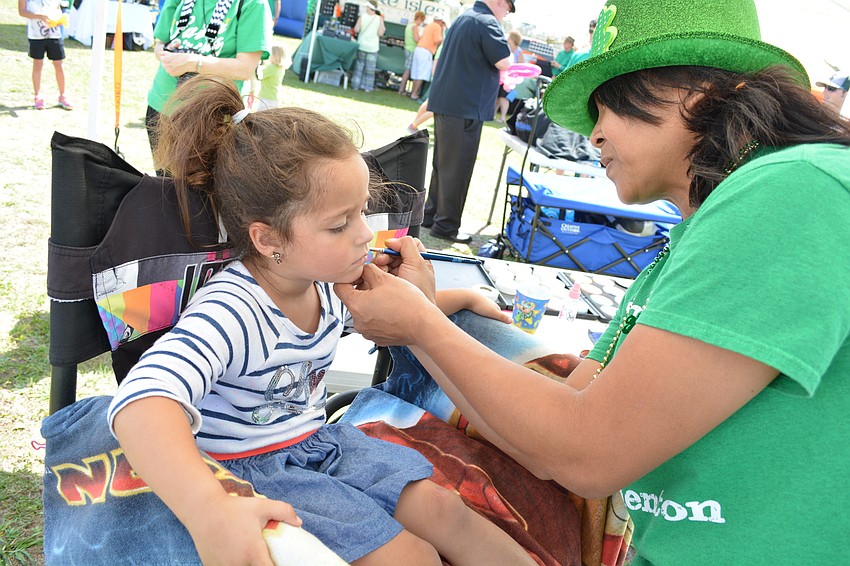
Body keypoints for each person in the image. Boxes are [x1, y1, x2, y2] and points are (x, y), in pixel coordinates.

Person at [334, 0, 850, 563]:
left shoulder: (791, 191)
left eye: (608, 109)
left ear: (697, 93)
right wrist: (422, 321)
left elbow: (587, 455)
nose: (594, 136)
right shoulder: (702, 231)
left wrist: (423, 325)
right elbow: (559, 420)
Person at [108, 75, 534, 566]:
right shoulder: (232, 310)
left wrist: (455, 299)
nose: (362, 235)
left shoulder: (328, 284)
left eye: (362, 213)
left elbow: (381, 315)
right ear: (269, 240)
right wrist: (209, 509)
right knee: (411, 556)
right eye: (339, 224)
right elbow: (141, 401)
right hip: (255, 472)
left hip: (322, 445)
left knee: (447, 510)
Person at [422, 0, 514, 243]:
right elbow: (504, 61)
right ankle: (446, 226)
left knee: (442, 166)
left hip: (448, 103)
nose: (506, 14)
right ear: (500, 2)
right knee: (456, 169)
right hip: (465, 107)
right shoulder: (486, 22)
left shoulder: (465, 17)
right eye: (507, 8)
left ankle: (432, 215)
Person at [144, 0, 271, 159]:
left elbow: (244, 68)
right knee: (163, 181)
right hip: (162, 107)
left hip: (210, 116)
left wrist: (193, 62)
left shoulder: (252, 4)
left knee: (198, 182)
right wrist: (167, 53)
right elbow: (159, 45)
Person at [19, 0, 72, 110]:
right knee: (38, 63)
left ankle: (63, 96)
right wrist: (38, 16)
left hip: (54, 33)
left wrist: (60, 19)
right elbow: (22, 11)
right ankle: (38, 96)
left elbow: (58, 8)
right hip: (36, 34)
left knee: (59, 64)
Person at [350, 0, 385, 93]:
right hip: (373, 47)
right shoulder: (379, 18)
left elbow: (356, 29)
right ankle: (367, 87)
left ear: (368, 7)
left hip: (362, 45)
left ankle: (355, 85)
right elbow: (381, 33)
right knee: (370, 69)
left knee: (359, 67)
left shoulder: (362, 17)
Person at [408, 14, 445, 100]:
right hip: (426, 50)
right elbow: (437, 40)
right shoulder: (437, 27)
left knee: (416, 72)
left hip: (419, 48)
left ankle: (413, 92)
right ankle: (414, 93)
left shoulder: (429, 25)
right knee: (422, 73)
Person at [495, 30, 524, 122]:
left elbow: (521, 65)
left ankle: (502, 117)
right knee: (498, 97)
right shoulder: (506, 48)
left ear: (513, 39)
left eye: (509, 37)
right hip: (501, 77)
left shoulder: (519, 52)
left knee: (504, 98)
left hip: (511, 80)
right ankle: (492, 114)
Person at [398, 10, 425, 95]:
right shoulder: (414, 27)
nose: (421, 23)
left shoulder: (409, 25)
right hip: (412, 49)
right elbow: (416, 39)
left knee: (407, 69)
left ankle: (402, 88)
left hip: (407, 48)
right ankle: (402, 89)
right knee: (407, 70)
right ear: (420, 18)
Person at [256, 45, 291, 110]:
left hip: (267, 96)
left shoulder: (272, 68)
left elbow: (259, 74)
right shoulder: (280, 68)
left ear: (275, 56)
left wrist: (256, 64)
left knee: (262, 115)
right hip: (274, 96)